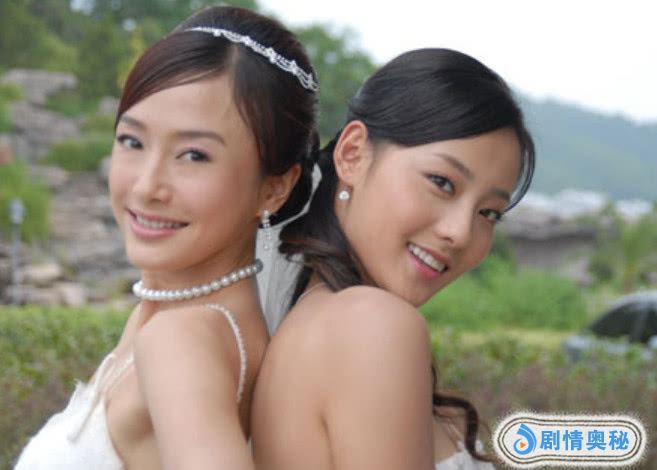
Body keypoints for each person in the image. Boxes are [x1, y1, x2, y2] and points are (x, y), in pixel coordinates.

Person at [14, 5, 318, 470]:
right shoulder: (172, 317)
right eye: (132, 141)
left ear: (274, 187)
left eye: (194, 155)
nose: (146, 186)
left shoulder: (181, 340)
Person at [251, 48, 535, 469]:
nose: (460, 232)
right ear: (353, 154)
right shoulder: (372, 323)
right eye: (442, 182)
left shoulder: (316, 323)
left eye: (489, 213)